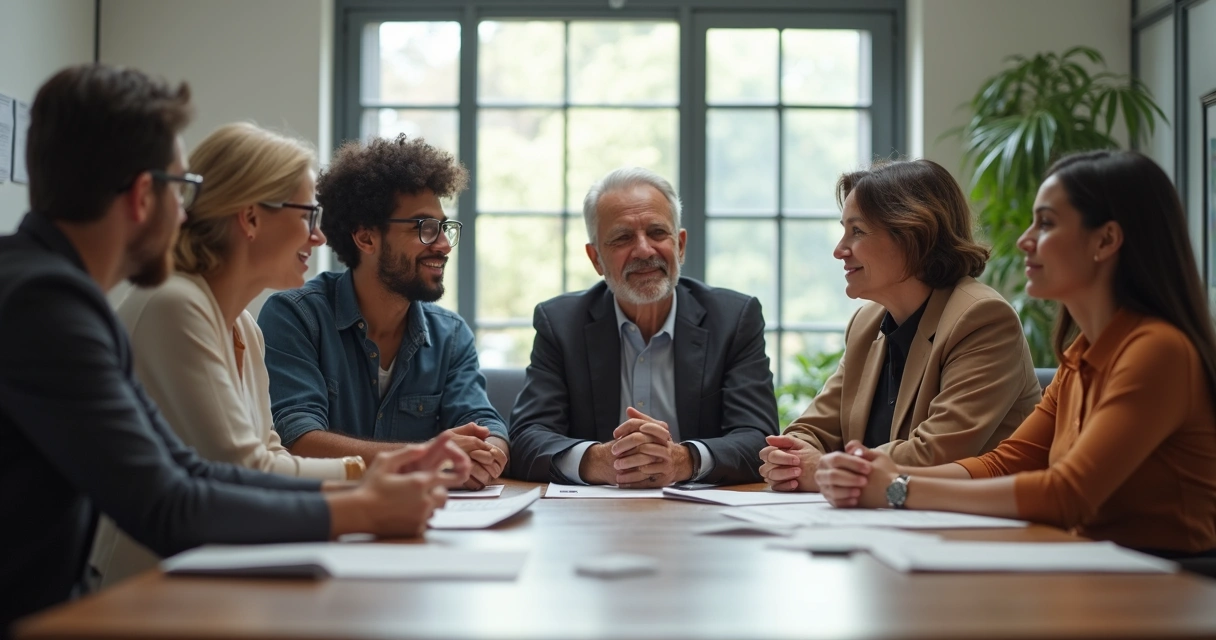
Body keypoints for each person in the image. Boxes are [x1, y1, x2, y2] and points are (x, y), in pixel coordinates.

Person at [0, 64, 468, 634]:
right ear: (146, 195)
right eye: (183, 190)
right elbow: (169, 504)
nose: (187, 212)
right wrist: (363, 502)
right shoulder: (48, 301)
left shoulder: (54, 291)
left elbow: (191, 470)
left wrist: (367, 477)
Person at [816, 150, 1216, 556]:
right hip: (1094, 569)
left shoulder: (1157, 350)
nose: (1025, 240)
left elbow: (1066, 494)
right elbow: (1003, 463)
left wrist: (899, 488)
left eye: (1046, 223)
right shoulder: (1082, 353)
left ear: (1106, 239)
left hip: (1164, 586)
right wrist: (885, 475)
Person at [88, 123, 360, 588]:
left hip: (207, 575)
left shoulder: (243, 324)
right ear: (250, 218)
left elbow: (267, 451)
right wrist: (369, 473)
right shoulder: (173, 304)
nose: (319, 238)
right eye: (308, 215)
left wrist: (377, 474)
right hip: (138, 594)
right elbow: (242, 469)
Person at [758, 159, 1041, 492]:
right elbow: (811, 429)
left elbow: (935, 453)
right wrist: (789, 458)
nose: (839, 250)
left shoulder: (982, 318)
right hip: (888, 524)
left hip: (978, 531)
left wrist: (822, 468)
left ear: (912, 236)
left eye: (857, 231)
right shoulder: (867, 322)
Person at [258, 135, 509, 490]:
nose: (442, 245)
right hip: (325, 520)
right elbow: (298, 440)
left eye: (444, 228)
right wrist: (427, 456)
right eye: (424, 228)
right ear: (366, 238)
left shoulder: (450, 335)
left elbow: (486, 423)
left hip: (421, 524)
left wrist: (487, 454)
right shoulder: (295, 317)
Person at [509, 167, 778, 487]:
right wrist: (598, 460)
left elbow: (758, 437)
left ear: (679, 245)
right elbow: (526, 438)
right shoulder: (561, 323)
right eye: (623, 237)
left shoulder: (734, 318)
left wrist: (683, 461)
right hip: (591, 521)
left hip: (702, 517)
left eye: (657, 233)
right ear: (596, 258)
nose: (644, 250)